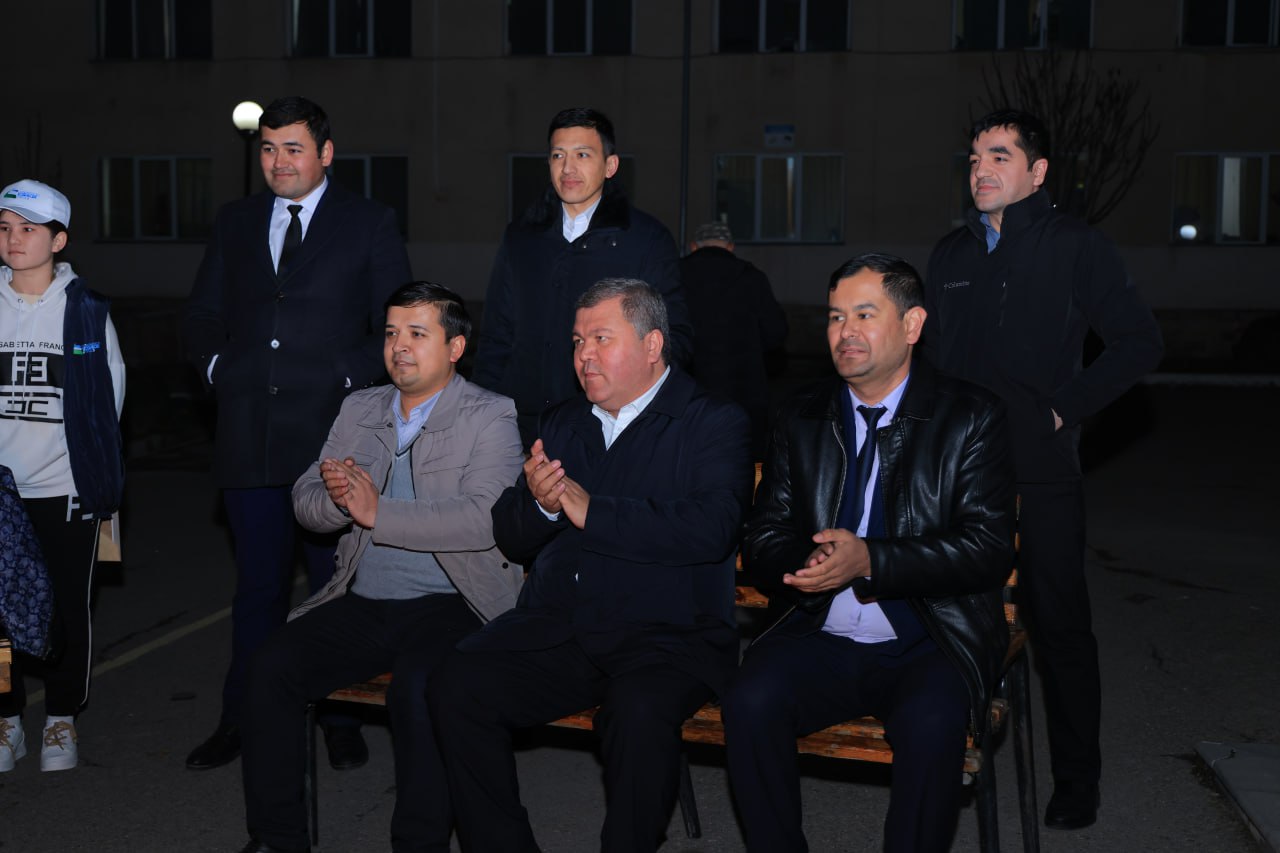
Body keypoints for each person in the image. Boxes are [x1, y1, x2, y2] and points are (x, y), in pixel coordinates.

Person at [430, 279, 752, 853]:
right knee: (456, 683)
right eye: (578, 341)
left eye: (602, 338)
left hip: (666, 635)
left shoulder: (710, 421)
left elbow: (712, 527)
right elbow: (511, 537)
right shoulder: (564, 421)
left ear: (652, 345)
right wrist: (539, 503)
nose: (584, 355)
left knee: (638, 714)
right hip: (563, 626)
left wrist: (592, 510)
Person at [722, 253, 1017, 853]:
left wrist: (872, 561)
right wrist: (805, 564)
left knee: (933, 724)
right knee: (749, 699)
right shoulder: (801, 415)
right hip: (818, 631)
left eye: (864, 314)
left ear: (912, 325)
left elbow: (986, 548)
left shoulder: (970, 417)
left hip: (931, 638)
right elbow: (764, 531)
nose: (845, 332)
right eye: (835, 317)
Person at [923, 109, 1164, 829]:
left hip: (1040, 472)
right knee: (950, 619)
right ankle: (945, 750)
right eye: (974, 158)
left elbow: (1139, 342)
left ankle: (1077, 779)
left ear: (1038, 171)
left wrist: (1061, 411)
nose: (982, 169)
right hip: (960, 476)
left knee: (1058, 626)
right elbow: (931, 364)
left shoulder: (1075, 246)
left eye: (1000, 155)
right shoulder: (952, 255)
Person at [235, 282, 523, 853]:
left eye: (417, 333)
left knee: (419, 690)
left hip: (457, 603)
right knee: (270, 667)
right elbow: (307, 500)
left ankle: (418, 843)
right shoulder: (360, 408)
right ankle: (277, 838)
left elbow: (482, 520)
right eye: (391, 333)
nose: (399, 346)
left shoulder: (490, 414)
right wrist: (337, 500)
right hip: (365, 600)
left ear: (455, 347)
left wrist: (376, 512)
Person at [182, 95, 412, 772]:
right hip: (249, 437)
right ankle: (243, 716)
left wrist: (346, 376)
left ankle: (340, 717)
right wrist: (220, 367)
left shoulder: (369, 222)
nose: (278, 162)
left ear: (325, 153)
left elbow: (395, 322)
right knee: (257, 591)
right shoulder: (236, 222)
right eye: (268, 149)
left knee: (333, 589)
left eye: (292, 149)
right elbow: (202, 314)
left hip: (333, 439)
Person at [472, 107, 693, 445]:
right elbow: (495, 337)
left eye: (582, 154)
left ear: (610, 165)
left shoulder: (645, 240)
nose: (568, 168)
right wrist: (483, 418)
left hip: (607, 431)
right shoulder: (521, 237)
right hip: (521, 428)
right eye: (558, 155)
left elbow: (672, 339)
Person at [0, 179, 125, 772]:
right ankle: (7, 719)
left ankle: (60, 717)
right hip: (2, 493)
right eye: (5, 228)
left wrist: (92, 482)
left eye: (28, 229)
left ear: (58, 240)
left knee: (68, 607)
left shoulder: (86, 311)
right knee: (0, 618)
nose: (13, 239)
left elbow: (108, 403)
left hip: (63, 490)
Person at [678, 221, 787, 458]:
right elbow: (775, 333)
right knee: (743, 464)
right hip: (744, 394)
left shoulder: (675, 276)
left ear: (694, 246)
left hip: (688, 394)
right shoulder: (752, 277)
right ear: (730, 247)